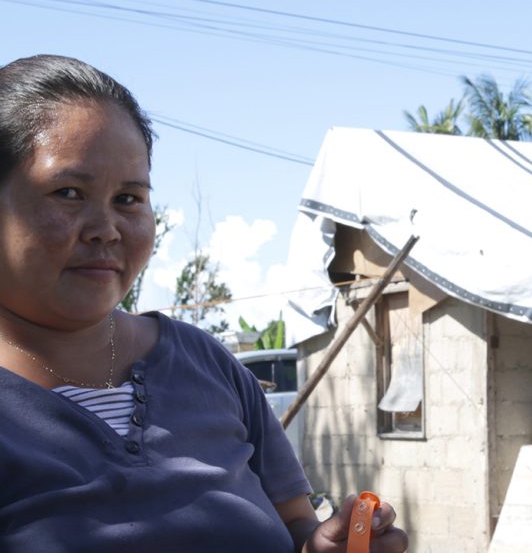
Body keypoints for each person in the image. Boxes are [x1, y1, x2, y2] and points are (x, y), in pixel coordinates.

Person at [0, 54, 408, 553]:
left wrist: (329, 544)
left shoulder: (206, 364)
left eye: (129, 199)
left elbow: (296, 527)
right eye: (68, 192)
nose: (106, 230)